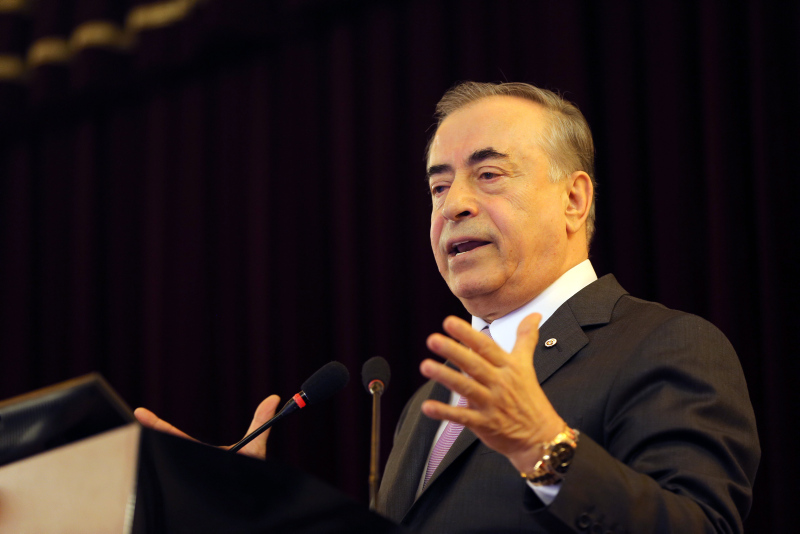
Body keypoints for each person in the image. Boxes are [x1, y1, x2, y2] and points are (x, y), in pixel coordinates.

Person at [137, 81, 760, 533]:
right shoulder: (427, 404)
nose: (453, 204)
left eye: (489, 175)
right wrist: (242, 511)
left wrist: (544, 448)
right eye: (439, 185)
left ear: (573, 200)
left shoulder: (664, 344)